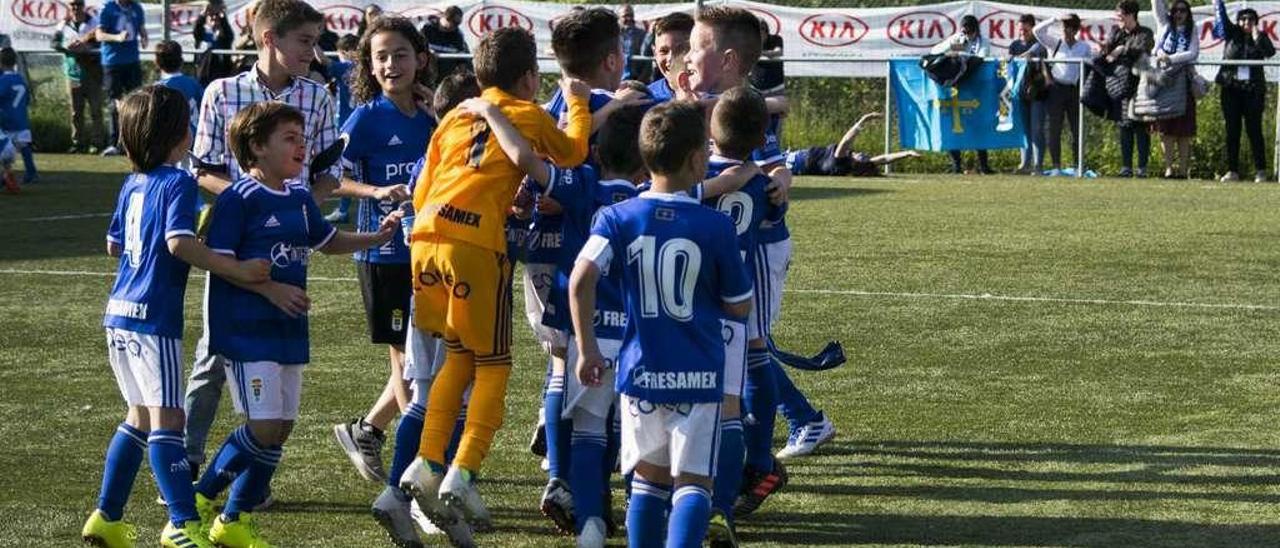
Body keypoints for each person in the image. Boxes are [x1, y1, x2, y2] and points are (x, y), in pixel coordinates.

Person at [397, 27, 590, 543]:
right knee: (494, 365)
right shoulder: (528, 112)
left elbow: (421, 190)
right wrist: (580, 105)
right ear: (529, 78)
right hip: (474, 244)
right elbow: (571, 154)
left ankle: (425, 463)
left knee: (457, 356)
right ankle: (464, 471)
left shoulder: (455, 116)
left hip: (424, 239)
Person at [195, 101, 401, 547]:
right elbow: (221, 264)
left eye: (303, 139)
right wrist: (271, 291)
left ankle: (233, 521)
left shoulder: (299, 198)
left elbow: (327, 242)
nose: (302, 147)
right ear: (257, 146)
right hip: (248, 329)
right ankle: (200, 498)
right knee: (264, 427)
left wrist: (378, 236)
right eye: (290, 139)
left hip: (288, 328)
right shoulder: (237, 199)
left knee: (281, 429)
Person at [81, 85, 270, 548]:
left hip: (118, 312)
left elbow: (113, 244)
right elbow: (178, 245)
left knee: (139, 419)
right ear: (180, 133)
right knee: (169, 422)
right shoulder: (179, 181)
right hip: (151, 317)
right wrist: (237, 267)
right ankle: (183, 525)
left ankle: (106, 519)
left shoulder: (133, 182)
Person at [463, 95, 648, 548]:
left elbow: (525, 157)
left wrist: (491, 114)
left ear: (597, 153)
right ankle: (650, 520)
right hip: (640, 339)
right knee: (639, 438)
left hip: (586, 334)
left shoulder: (582, 184)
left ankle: (591, 525)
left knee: (588, 433)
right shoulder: (653, 198)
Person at [571, 100, 754, 548]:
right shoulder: (714, 225)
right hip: (699, 373)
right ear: (697, 160)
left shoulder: (618, 217)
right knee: (694, 484)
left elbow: (580, 279)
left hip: (640, 372)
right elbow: (740, 306)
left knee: (648, 482)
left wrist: (590, 349)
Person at [183, 0, 342, 501]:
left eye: (316, 43)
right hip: (236, 245)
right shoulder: (221, 91)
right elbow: (202, 167)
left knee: (279, 355)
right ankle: (187, 461)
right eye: (305, 42)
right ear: (270, 38)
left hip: (286, 248)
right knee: (213, 355)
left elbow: (320, 175)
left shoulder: (318, 97)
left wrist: (297, 211)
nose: (312, 54)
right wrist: (248, 202)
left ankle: (250, 485)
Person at [372, 71, 481, 548]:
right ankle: (424, 496)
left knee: (427, 395)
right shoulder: (466, 157)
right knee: (455, 396)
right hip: (462, 283)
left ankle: (406, 494)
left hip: (427, 285)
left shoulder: (429, 157)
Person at [328, 14, 434, 489]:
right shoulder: (366, 118)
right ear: (369, 67)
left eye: (401, 54)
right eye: (381, 57)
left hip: (431, 254)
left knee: (432, 361)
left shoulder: (434, 116)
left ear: (421, 59)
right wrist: (373, 192)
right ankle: (414, 475)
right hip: (384, 257)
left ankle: (367, 430)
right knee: (408, 366)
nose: (392, 64)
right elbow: (328, 179)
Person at [1213, 0, 1275, 182]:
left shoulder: (1261, 36)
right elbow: (1222, 19)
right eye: (1243, 19)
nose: (1247, 23)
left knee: (1254, 130)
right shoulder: (1232, 34)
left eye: (1250, 20)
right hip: (1232, 89)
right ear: (1238, 21)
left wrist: (1257, 37)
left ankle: (1261, 171)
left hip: (1253, 90)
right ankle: (1232, 171)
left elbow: (1269, 52)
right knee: (1232, 130)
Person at [932, 14, 993, 174]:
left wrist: (964, 54)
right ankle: (956, 164)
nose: (967, 35)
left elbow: (982, 57)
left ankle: (983, 165)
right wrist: (956, 47)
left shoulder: (983, 41)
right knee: (954, 125)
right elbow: (936, 50)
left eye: (970, 32)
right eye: (965, 31)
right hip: (956, 86)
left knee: (978, 125)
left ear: (975, 30)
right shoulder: (958, 38)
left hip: (975, 88)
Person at [1035, 13, 1094, 176]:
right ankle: (1056, 166)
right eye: (1063, 26)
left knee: (1076, 129)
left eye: (1068, 27)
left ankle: (1077, 165)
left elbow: (1093, 63)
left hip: (1074, 90)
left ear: (1075, 30)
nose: (1064, 30)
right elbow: (1037, 32)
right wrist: (1054, 19)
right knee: (1054, 128)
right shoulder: (1055, 43)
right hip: (1056, 89)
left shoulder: (1084, 47)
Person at [1104, 0, 1156, 178]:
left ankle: (1142, 168)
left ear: (1130, 15)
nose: (1117, 19)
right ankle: (1126, 167)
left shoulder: (1145, 33)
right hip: (1120, 85)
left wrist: (1120, 50)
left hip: (1140, 86)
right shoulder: (1116, 32)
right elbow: (1107, 51)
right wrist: (1109, 47)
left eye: (1120, 15)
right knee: (1124, 126)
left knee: (1141, 127)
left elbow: (1141, 49)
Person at [1151, 0, 1200, 179]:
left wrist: (1171, 58)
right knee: (1166, 130)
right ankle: (1169, 168)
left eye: (1183, 11)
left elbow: (1192, 53)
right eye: (1175, 10)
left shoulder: (1192, 29)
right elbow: (1157, 5)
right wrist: (1160, 54)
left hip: (1184, 83)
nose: (1179, 14)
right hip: (1164, 83)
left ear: (1188, 13)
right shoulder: (1164, 25)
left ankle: (1183, 169)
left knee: (1184, 131)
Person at [786, 113, 921, 177]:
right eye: (867, 156)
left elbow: (846, 140)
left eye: (863, 157)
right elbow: (884, 159)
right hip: (795, 158)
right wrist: (907, 153)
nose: (864, 154)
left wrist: (863, 120)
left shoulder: (841, 161)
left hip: (795, 161)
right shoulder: (851, 164)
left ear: (857, 164)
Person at [51, 0, 104, 154]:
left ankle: (97, 143)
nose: (75, 8)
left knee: (96, 110)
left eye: (78, 4)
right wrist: (67, 47)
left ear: (83, 6)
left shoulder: (94, 22)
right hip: (73, 73)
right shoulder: (63, 24)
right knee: (76, 111)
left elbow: (102, 44)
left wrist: (86, 48)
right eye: (72, 5)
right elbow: (53, 43)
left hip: (93, 73)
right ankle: (78, 143)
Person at [96, 0, 147, 156]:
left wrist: (144, 36)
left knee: (137, 102)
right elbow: (99, 35)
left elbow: (141, 28)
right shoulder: (107, 8)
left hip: (132, 60)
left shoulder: (137, 7)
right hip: (113, 62)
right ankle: (115, 143)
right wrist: (117, 37)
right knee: (115, 102)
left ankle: (137, 142)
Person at [324, 34, 361, 224]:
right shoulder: (364, 68)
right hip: (362, 122)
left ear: (345, 52)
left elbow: (323, 61)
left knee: (344, 170)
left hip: (347, 125)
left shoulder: (346, 67)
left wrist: (313, 43)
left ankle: (343, 210)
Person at [1008, 14, 1046, 174]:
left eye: (1025, 29)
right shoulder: (1014, 45)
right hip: (1020, 92)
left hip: (1037, 92)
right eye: (1020, 29)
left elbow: (1034, 58)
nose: (1022, 32)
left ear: (1032, 28)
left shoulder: (1040, 45)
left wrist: (1024, 57)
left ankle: (1038, 165)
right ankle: (1024, 164)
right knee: (1023, 129)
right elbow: (1009, 67)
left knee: (1036, 129)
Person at [0, 48, 36, 185]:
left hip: (6, 120)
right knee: (24, 146)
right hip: (21, 119)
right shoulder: (20, 79)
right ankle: (31, 172)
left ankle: (6, 176)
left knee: (4, 149)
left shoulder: (3, 80)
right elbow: (27, 100)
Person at [155, 41, 203, 141]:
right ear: (181, 60)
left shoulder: (157, 89)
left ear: (157, 62)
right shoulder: (193, 83)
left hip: (170, 144)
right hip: (195, 140)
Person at [646, 12, 693, 103]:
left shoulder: (713, 96)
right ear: (655, 53)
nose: (671, 58)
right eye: (664, 51)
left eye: (680, 50)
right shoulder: (646, 99)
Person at [423, 6, 471, 84]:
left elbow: (461, 60)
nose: (456, 27)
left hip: (444, 82)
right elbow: (416, 49)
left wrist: (463, 77)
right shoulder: (426, 28)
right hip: (425, 79)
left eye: (458, 24)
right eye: (454, 23)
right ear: (445, 17)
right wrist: (428, 52)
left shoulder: (458, 36)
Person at [193, 0, 235, 86]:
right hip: (204, 73)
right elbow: (196, 29)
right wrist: (204, 12)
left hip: (221, 73)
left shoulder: (224, 35)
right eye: (211, 15)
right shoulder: (202, 34)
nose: (214, 18)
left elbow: (228, 33)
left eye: (216, 16)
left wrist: (222, 14)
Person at [750, 19, 785, 98]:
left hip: (776, 87)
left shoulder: (776, 39)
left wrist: (760, 52)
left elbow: (778, 52)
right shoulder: (750, 42)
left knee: (777, 109)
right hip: (755, 87)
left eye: (761, 29)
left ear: (766, 30)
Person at [618, 4, 649, 82]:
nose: (629, 18)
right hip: (618, 80)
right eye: (625, 16)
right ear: (619, 18)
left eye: (631, 15)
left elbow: (648, 60)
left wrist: (640, 80)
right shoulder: (614, 36)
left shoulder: (643, 34)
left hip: (637, 79)